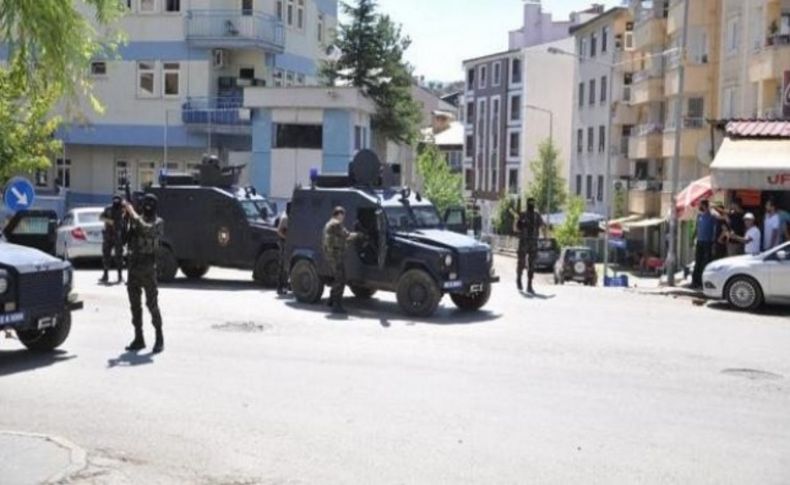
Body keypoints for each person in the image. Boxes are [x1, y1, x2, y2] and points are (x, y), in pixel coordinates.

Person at [123, 194, 165, 353]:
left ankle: (159, 337)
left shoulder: (158, 222)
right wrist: (126, 219)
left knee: (151, 304)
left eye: (150, 203)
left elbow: (147, 230)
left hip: (148, 267)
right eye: (145, 203)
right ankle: (138, 337)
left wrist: (131, 212)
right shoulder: (136, 219)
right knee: (135, 306)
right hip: (133, 267)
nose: (147, 206)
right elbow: (125, 238)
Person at [322, 207, 360, 314]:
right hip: (336, 256)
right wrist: (358, 235)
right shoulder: (336, 224)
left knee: (337, 278)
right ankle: (336, 305)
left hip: (331, 255)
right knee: (341, 280)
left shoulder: (328, 223)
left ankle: (331, 300)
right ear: (338, 214)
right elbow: (347, 235)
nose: (343, 217)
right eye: (343, 215)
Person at [511, 198, 544, 294]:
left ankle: (529, 285)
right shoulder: (522, 215)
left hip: (533, 242)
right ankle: (519, 279)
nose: (531, 205)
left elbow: (542, 226)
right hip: (524, 242)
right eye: (530, 203)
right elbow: (515, 229)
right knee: (521, 263)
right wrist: (518, 221)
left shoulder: (537, 215)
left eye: (533, 203)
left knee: (532, 265)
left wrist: (544, 238)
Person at [100, 195, 126, 284]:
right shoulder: (108, 209)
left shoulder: (122, 209)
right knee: (106, 255)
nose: (116, 202)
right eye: (115, 200)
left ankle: (119, 276)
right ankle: (105, 275)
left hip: (118, 236)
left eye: (118, 200)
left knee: (119, 256)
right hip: (108, 235)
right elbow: (101, 217)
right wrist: (109, 221)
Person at [691, 200, 716, 289]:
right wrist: (692, 238)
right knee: (697, 262)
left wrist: (713, 242)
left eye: (701, 205)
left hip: (708, 242)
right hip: (699, 241)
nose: (700, 207)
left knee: (705, 263)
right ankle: (694, 282)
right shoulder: (699, 216)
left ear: (705, 206)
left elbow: (715, 230)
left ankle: (703, 283)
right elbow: (696, 228)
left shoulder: (712, 216)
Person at [276, 203, 290, 296]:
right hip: (283, 243)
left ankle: (285, 285)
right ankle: (280, 287)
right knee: (283, 266)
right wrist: (286, 238)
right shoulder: (285, 218)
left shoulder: (286, 215)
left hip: (286, 243)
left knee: (286, 266)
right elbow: (279, 231)